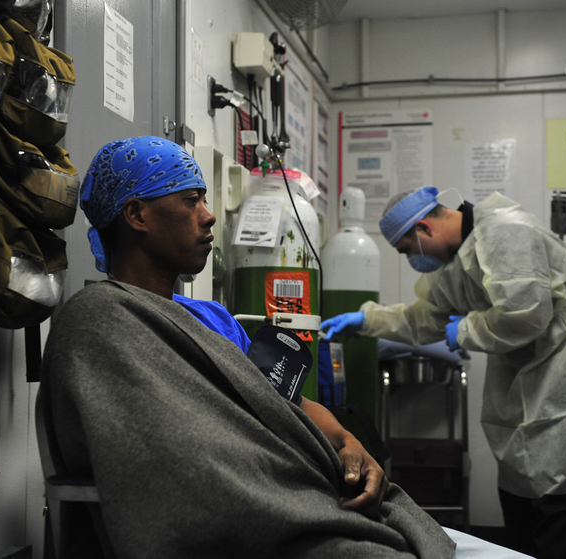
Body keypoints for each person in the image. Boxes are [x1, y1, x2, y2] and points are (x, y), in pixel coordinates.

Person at [40, 137, 457, 558]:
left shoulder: (212, 318)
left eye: (205, 200)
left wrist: (347, 443)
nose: (208, 215)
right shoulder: (103, 317)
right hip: (242, 511)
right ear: (136, 214)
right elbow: (170, 445)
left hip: (290, 489)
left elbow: (282, 403)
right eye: (191, 201)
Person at [321, 187, 566, 559]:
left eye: (407, 250)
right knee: (522, 481)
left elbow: (526, 314)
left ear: (424, 228)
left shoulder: (505, 231)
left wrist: (465, 329)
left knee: (563, 487)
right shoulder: (456, 258)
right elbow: (427, 318)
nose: (412, 260)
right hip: (529, 363)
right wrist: (367, 320)